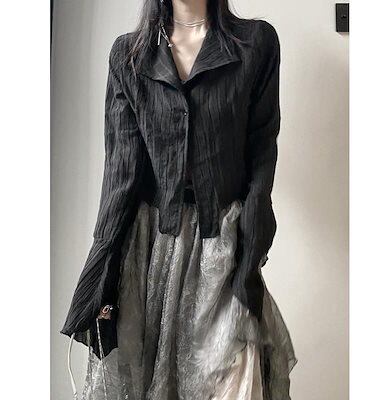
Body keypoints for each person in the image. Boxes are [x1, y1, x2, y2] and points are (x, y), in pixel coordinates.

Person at [61, 0, 297, 399]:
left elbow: (262, 154)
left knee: (235, 380)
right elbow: (121, 173)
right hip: (148, 252)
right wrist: (101, 272)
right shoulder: (129, 56)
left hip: (222, 247)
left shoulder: (255, 44)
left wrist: (250, 255)